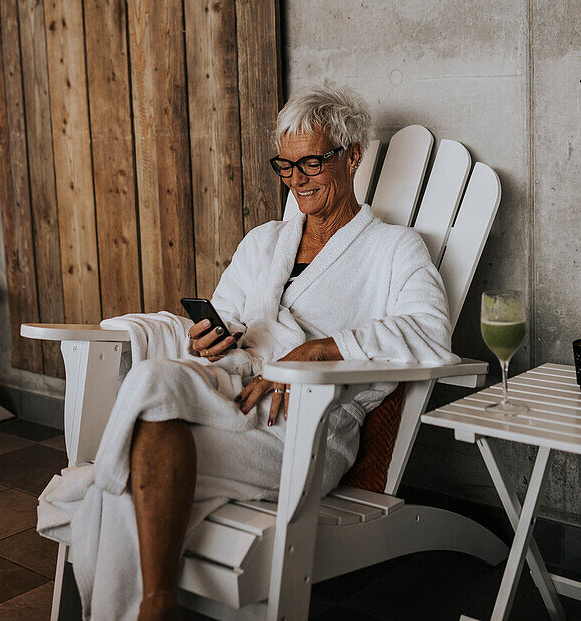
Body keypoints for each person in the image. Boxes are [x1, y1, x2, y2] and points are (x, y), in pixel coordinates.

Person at [37, 81, 458, 620]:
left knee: (122, 481)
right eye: (285, 167)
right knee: (154, 380)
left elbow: (429, 333)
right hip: (229, 397)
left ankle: (131, 558)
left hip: (304, 424)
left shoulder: (393, 249)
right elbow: (230, 319)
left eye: (311, 164)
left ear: (353, 157)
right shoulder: (265, 242)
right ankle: (156, 605)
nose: (297, 181)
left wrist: (314, 353)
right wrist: (207, 340)